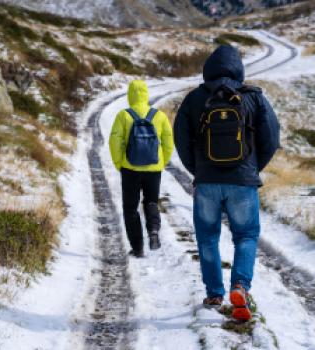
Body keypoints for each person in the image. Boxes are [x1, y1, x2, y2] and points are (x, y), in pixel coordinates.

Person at [174, 45, 280, 321]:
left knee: (207, 237)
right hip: (242, 180)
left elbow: (181, 140)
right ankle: (240, 287)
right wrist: (253, 169)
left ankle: (214, 293)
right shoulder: (253, 97)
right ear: (239, 70)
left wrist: (197, 170)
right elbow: (271, 139)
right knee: (245, 235)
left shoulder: (194, 98)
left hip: (207, 181)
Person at [109, 80, 174, 258]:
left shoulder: (124, 115)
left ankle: (137, 248)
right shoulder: (159, 115)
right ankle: (153, 230)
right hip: (154, 169)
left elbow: (114, 141)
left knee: (130, 208)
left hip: (130, 168)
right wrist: (162, 161)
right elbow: (168, 141)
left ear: (130, 95)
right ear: (146, 94)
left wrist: (119, 163)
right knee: (151, 202)